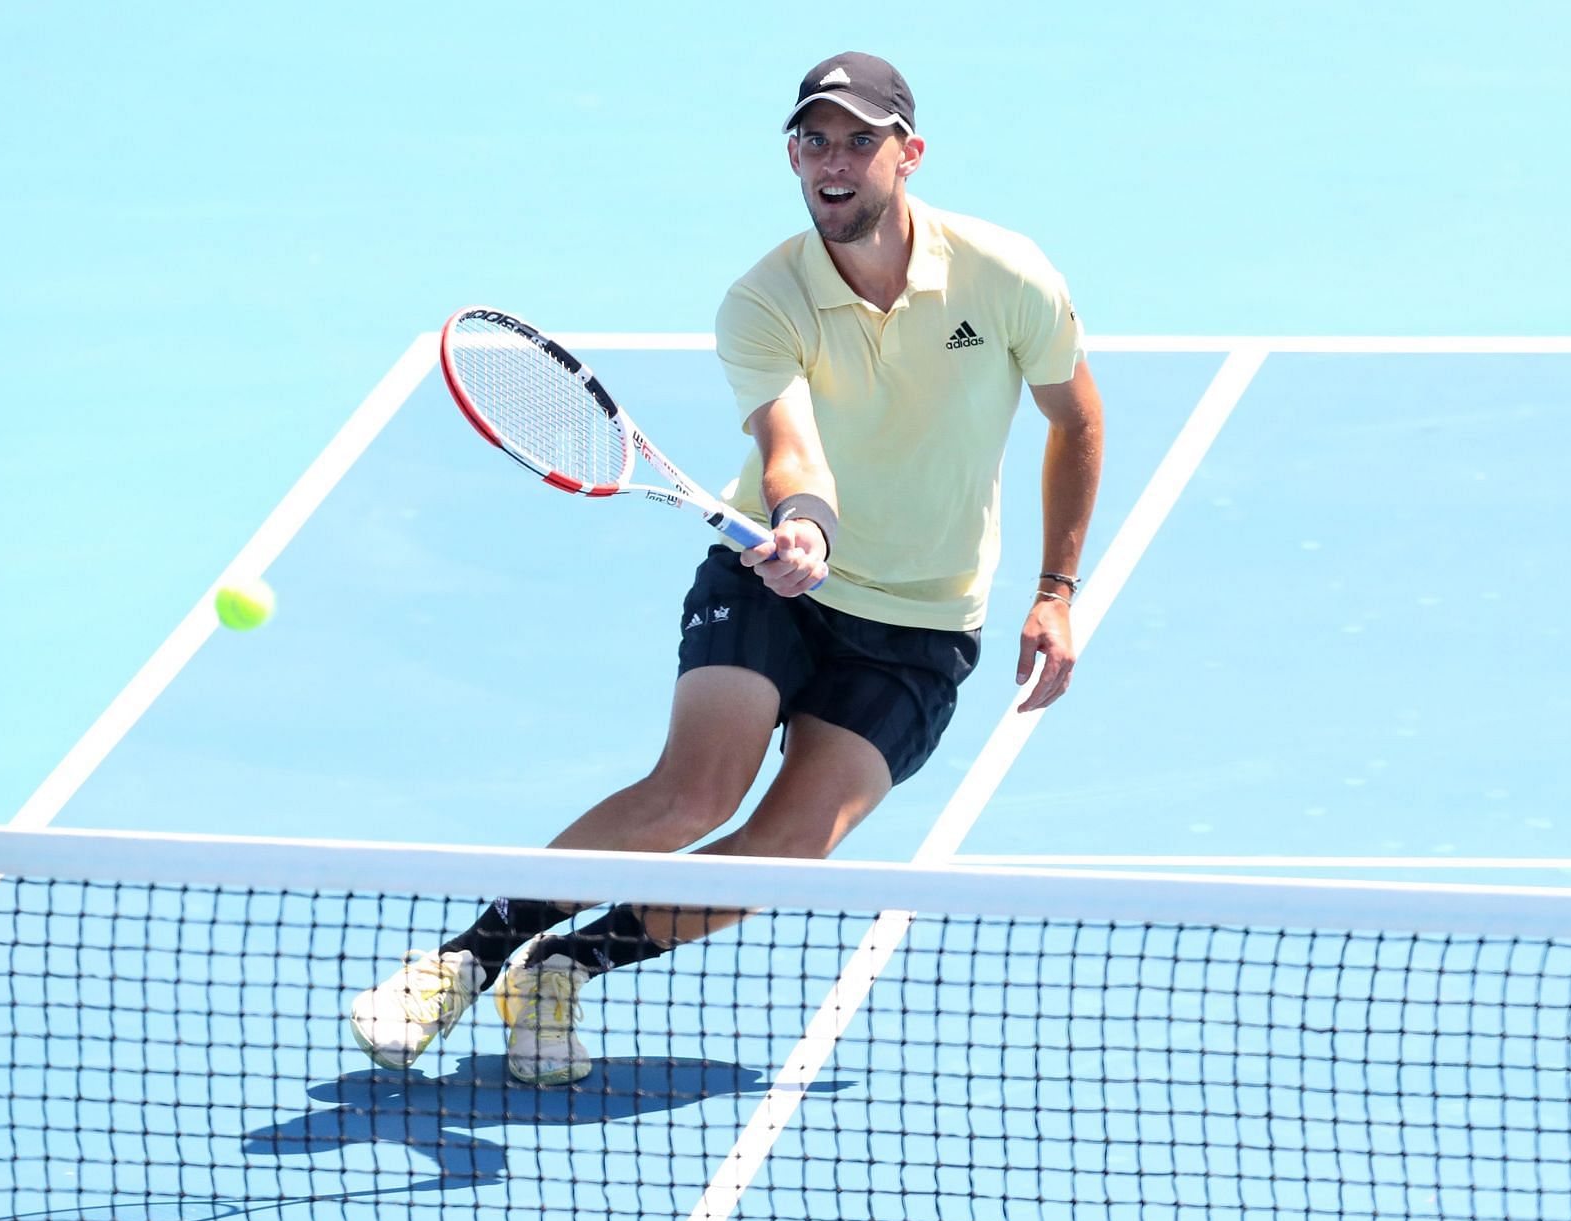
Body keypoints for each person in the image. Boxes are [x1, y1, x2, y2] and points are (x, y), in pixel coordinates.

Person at [350, 51, 1104, 1085]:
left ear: (909, 153)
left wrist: (1056, 593)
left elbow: (1079, 416)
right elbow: (791, 445)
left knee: (791, 849)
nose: (831, 162)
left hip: (926, 619)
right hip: (774, 575)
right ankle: (469, 959)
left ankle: (566, 963)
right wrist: (805, 525)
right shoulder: (763, 299)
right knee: (693, 793)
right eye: (811, 141)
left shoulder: (1007, 275)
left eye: (857, 140)